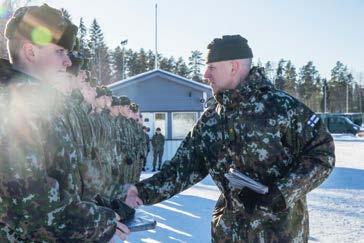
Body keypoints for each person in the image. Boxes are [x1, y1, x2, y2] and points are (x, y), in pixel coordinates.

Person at [126, 35, 335, 242]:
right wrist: (140, 192)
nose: (205, 74)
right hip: (228, 235)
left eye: (212, 67)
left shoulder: (282, 108)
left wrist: (280, 194)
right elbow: (183, 168)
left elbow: (322, 152)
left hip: (278, 236)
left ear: (234, 67)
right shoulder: (211, 120)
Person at [0, 4, 129, 241]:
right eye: (60, 51)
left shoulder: (39, 104)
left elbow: (71, 177)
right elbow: (32, 208)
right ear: (31, 52)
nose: (68, 62)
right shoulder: (12, 107)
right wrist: (102, 221)